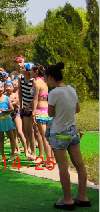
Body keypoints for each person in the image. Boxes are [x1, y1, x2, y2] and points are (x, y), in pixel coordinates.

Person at [45, 62, 91, 210]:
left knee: (63, 167)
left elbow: (50, 113)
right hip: (73, 131)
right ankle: (82, 196)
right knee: (79, 164)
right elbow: (77, 109)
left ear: (50, 77)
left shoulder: (54, 93)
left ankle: (67, 199)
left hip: (59, 133)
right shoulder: (71, 89)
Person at [30, 63, 53, 160]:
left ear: (36, 71)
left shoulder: (36, 83)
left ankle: (48, 160)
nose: (30, 72)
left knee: (44, 137)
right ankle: (52, 158)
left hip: (40, 111)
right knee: (49, 136)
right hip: (47, 109)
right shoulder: (44, 82)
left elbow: (35, 99)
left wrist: (33, 112)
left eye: (31, 70)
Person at [0, 80, 17, 160]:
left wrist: (4, 110)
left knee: (11, 137)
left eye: (1, 87)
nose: (0, 89)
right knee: (1, 138)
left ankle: (12, 154)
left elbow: (12, 109)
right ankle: (3, 156)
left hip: (7, 118)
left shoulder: (7, 98)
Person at [18, 61, 36, 159]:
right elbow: (20, 93)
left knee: (35, 131)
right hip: (25, 107)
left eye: (24, 68)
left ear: (28, 70)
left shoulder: (33, 81)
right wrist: (21, 106)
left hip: (33, 107)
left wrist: (29, 105)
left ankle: (34, 152)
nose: (21, 68)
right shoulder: (21, 78)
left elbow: (36, 96)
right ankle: (29, 149)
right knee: (27, 130)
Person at [6, 80, 28, 156]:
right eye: (6, 86)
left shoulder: (15, 95)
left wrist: (11, 102)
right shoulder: (4, 96)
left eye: (10, 86)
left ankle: (26, 150)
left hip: (16, 114)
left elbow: (18, 102)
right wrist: (12, 102)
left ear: (13, 87)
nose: (8, 88)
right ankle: (17, 149)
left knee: (19, 132)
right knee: (13, 134)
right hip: (8, 115)